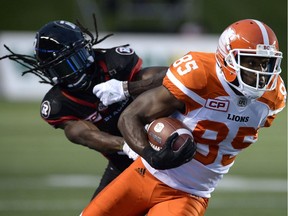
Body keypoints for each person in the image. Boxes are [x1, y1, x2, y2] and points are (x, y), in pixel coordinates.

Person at [80, 19, 286, 215]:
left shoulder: (273, 98)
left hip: (190, 194)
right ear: (227, 59)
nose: (260, 73)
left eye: (265, 63)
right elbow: (130, 116)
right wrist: (150, 154)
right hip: (143, 174)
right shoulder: (201, 76)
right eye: (250, 62)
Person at [0, 17, 167, 199]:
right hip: (125, 160)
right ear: (50, 72)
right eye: (63, 67)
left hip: (162, 140)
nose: (74, 71)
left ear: (86, 50)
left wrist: (127, 88)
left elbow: (172, 76)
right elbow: (81, 134)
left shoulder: (113, 62)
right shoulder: (58, 104)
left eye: (76, 60)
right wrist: (129, 147)